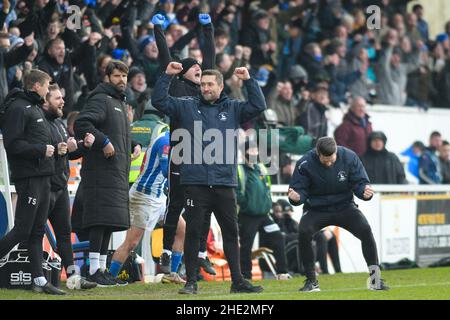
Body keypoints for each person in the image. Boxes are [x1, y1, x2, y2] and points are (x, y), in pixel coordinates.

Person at [152, 63, 265, 294]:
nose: (205, 88)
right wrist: (166, 76)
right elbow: (159, 102)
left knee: (231, 232)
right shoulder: (186, 106)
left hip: (224, 182)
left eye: (209, 84)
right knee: (193, 232)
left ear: (220, 86)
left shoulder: (233, 107)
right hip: (195, 183)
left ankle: (238, 281)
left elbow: (258, 105)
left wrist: (249, 80)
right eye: (202, 84)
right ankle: (191, 281)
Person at [152, 13, 217, 276]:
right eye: (195, 67)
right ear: (185, 70)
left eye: (202, 69)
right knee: (176, 204)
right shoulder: (177, 87)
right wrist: (158, 28)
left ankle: (201, 254)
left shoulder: (206, 91)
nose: (200, 69)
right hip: (180, 152)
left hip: (203, 154)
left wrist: (208, 29)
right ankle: (166, 252)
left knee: (207, 204)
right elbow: (164, 58)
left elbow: (210, 56)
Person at [288, 137, 389, 292]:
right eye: (325, 160)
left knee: (366, 230)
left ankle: (375, 280)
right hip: (316, 208)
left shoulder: (349, 156)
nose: (328, 163)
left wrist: (365, 192)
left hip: (344, 206)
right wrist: (295, 198)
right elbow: (298, 190)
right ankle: (311, 282)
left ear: (336, 151)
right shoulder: (304, 163)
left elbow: (360, 182)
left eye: (331, 159)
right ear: (317, 153)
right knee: (303, 231)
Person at [74, 60, 141, 287]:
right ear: (107, 78)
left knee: (109, 222)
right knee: (99, 221)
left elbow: (118, 134)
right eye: (117, 76)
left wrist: (133, 145)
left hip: (115, 174)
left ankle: (101, 269)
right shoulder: (101, 98)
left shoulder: (120, 103)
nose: (121, 80)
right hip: (100, 173)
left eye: (124, 76)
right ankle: (93, 270)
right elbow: (82, 124)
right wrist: (103, 141)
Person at [0, 69, 65, 295]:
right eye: (47, 86)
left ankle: (39, 280)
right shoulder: (18, 108)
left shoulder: (36, 107)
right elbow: (12, 144)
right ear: (36, 85)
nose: (49, 90)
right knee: (22, 230)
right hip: (29, 178)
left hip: (44, 177)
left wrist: (56, 150)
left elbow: (40, 141)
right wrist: (40, 150)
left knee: (37, 231)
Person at [108, 131, 186, 283]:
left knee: (181, 229)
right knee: (131, 242)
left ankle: (172, 275)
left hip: (158, 196)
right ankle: (110, 276)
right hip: (144, 195)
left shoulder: (174, 139)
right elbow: (166, 171)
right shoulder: (165, 141)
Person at [42, 83, 97, 290]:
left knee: (65, 234)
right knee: (29, 233)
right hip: (43, 187)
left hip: (60, 187)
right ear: (46, 101)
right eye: (57, 98)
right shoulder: (40, 123)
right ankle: (36, 277)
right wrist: (63, 150)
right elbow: (44, 154)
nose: (62, 101)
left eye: (62, 98)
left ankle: (73, 278)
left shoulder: (59, 123)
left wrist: (83, 147)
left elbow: (68, 153)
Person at [237, 140, 290, 281]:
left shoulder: (261, 168)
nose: (254, 153)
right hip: (248, 215)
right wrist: (246, 204)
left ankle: (282, 272)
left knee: (278, 236)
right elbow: (237, 193)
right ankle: (245, 276)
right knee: (246, 245)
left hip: (264, 215)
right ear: (244, 153)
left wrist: (268, 204)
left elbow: (267, 187)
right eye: (251, 150)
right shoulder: (240, 169)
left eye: (256, 150)